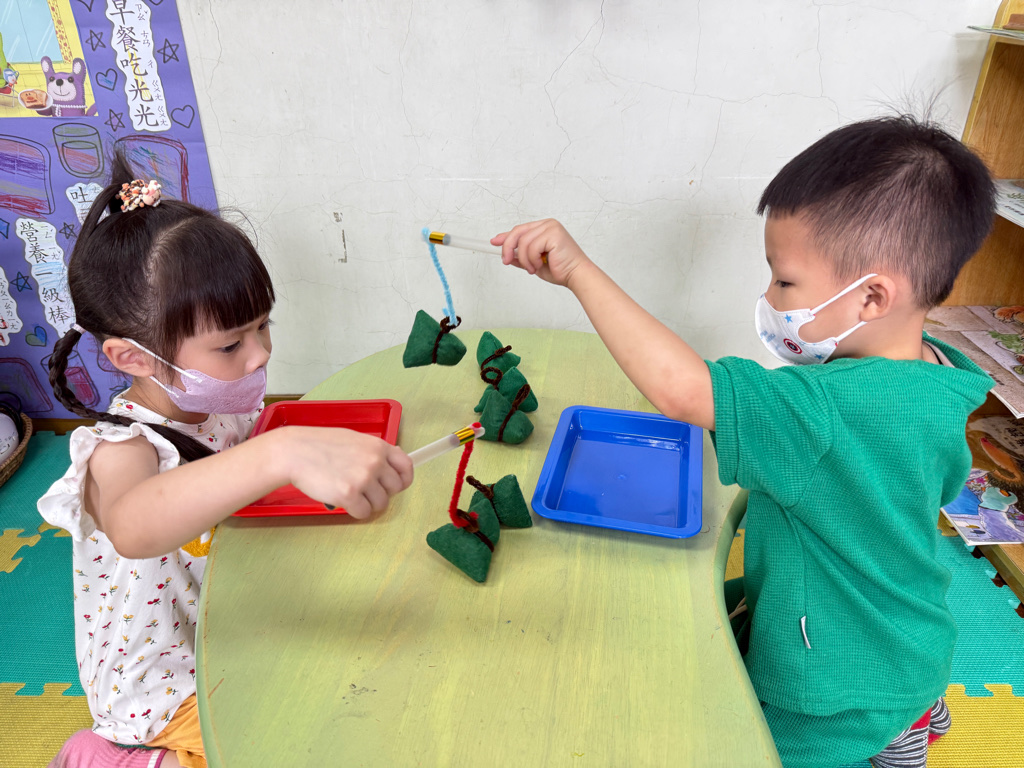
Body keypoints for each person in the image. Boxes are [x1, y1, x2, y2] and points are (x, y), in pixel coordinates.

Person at [492, 115, 995, 768]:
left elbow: (682, 390)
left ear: (872, 297)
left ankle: (896, 735)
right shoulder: (942, 372)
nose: (768, 296)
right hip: (914, 636)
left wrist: (579, 271)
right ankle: (916, 711)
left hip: (834, 690)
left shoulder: (820, 411)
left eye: (784, 282)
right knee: (890, 683)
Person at [39, 156, 413, 768]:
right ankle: (108, 757)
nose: (260, 354)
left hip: (230, 624)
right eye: (232, 343)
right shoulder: (120, 449)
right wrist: (281, 450)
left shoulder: (221, 408)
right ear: (132, 359)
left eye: (263, 326)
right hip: (161, 688)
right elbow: (133, 523)